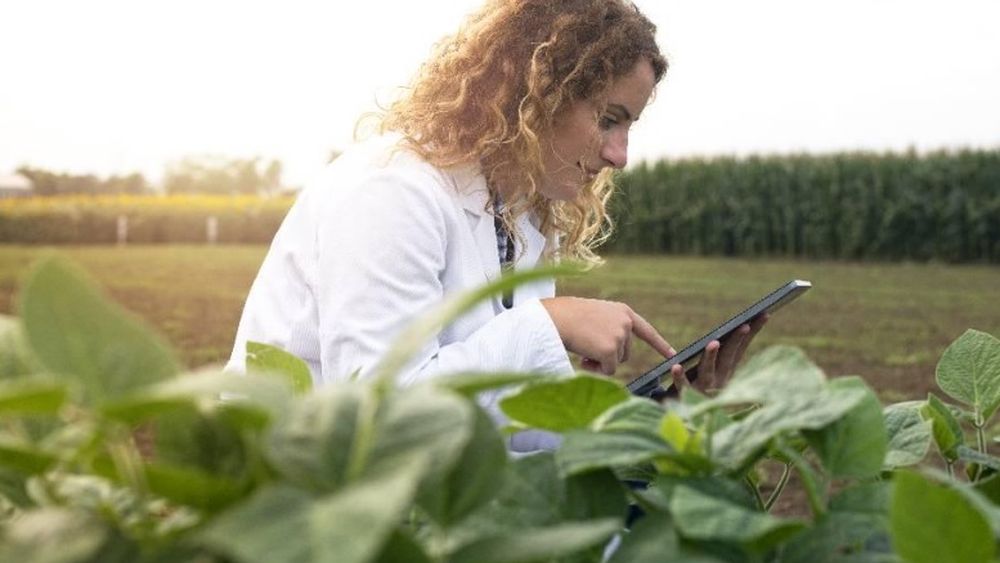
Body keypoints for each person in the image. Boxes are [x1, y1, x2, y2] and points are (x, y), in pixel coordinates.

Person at [225, 0, 764, 450]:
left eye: (629, 125)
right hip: (300, 506)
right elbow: (381, 420)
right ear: (536, 93)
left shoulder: (524, 211)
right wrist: (547, 322)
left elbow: (495, 421)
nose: (620, 155)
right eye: (608, 118)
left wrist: (653, 413)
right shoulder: (392, 191)